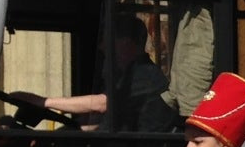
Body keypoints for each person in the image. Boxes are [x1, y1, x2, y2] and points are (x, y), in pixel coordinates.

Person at [41, 15, 171, 131]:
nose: (103, 47)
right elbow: (105, 124)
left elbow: (101, 104)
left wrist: (45, 102)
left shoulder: (144, 74)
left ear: (126, 43)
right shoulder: (128, 73)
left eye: (109, 42)